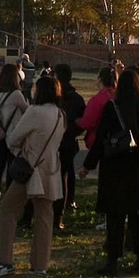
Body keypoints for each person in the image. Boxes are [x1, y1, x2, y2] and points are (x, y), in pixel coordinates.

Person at [0, 73, 66, 278]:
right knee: (45, 218)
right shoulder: (60, 114)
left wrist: (22, 153)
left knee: (7, 211)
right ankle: (40, 265)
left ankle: (3, 260)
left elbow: (13, 139)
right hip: (50, 169)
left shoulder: (35, 112)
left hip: (30, 168)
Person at [80, 67, 139, 276]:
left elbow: (100, 140)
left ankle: (113, 260)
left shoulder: (113, 107)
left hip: (117, 165)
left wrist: (88, 165)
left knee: (115, 216)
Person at [0, 64, 29, 208]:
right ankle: (9, 197)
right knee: (12, 167)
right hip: (13, 134)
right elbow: (26, 110)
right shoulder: (16, 94)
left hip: (0, 134)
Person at [52, 63, 85, 229]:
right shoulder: (77, 98)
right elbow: (83, 121)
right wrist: (73, 132)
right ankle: (67, 202)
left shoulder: (54, 97)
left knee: (56, 174)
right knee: (67, 172)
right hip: (69, 140)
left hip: (54, 140)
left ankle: (55, 207)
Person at [78, 66, 117, 151]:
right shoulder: (118, 97)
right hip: (117, 141)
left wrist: (78, 121)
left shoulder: (97, 100)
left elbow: (87, 123)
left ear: (100, 79)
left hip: (99, 142)